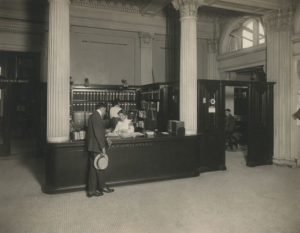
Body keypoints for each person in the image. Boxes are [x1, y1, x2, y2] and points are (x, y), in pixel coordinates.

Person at [86, 102, 114, 197]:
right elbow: (98, 133)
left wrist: (105, 137)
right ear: (102, 109)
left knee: (93, 169)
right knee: (101, 167)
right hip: (96, 147)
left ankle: (91, 190)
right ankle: (102, 187)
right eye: (105, 110)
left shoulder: (92, 116)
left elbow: (99, 131)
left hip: (92, 146)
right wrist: (103, 148)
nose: (105, 112)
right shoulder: (97, 117)